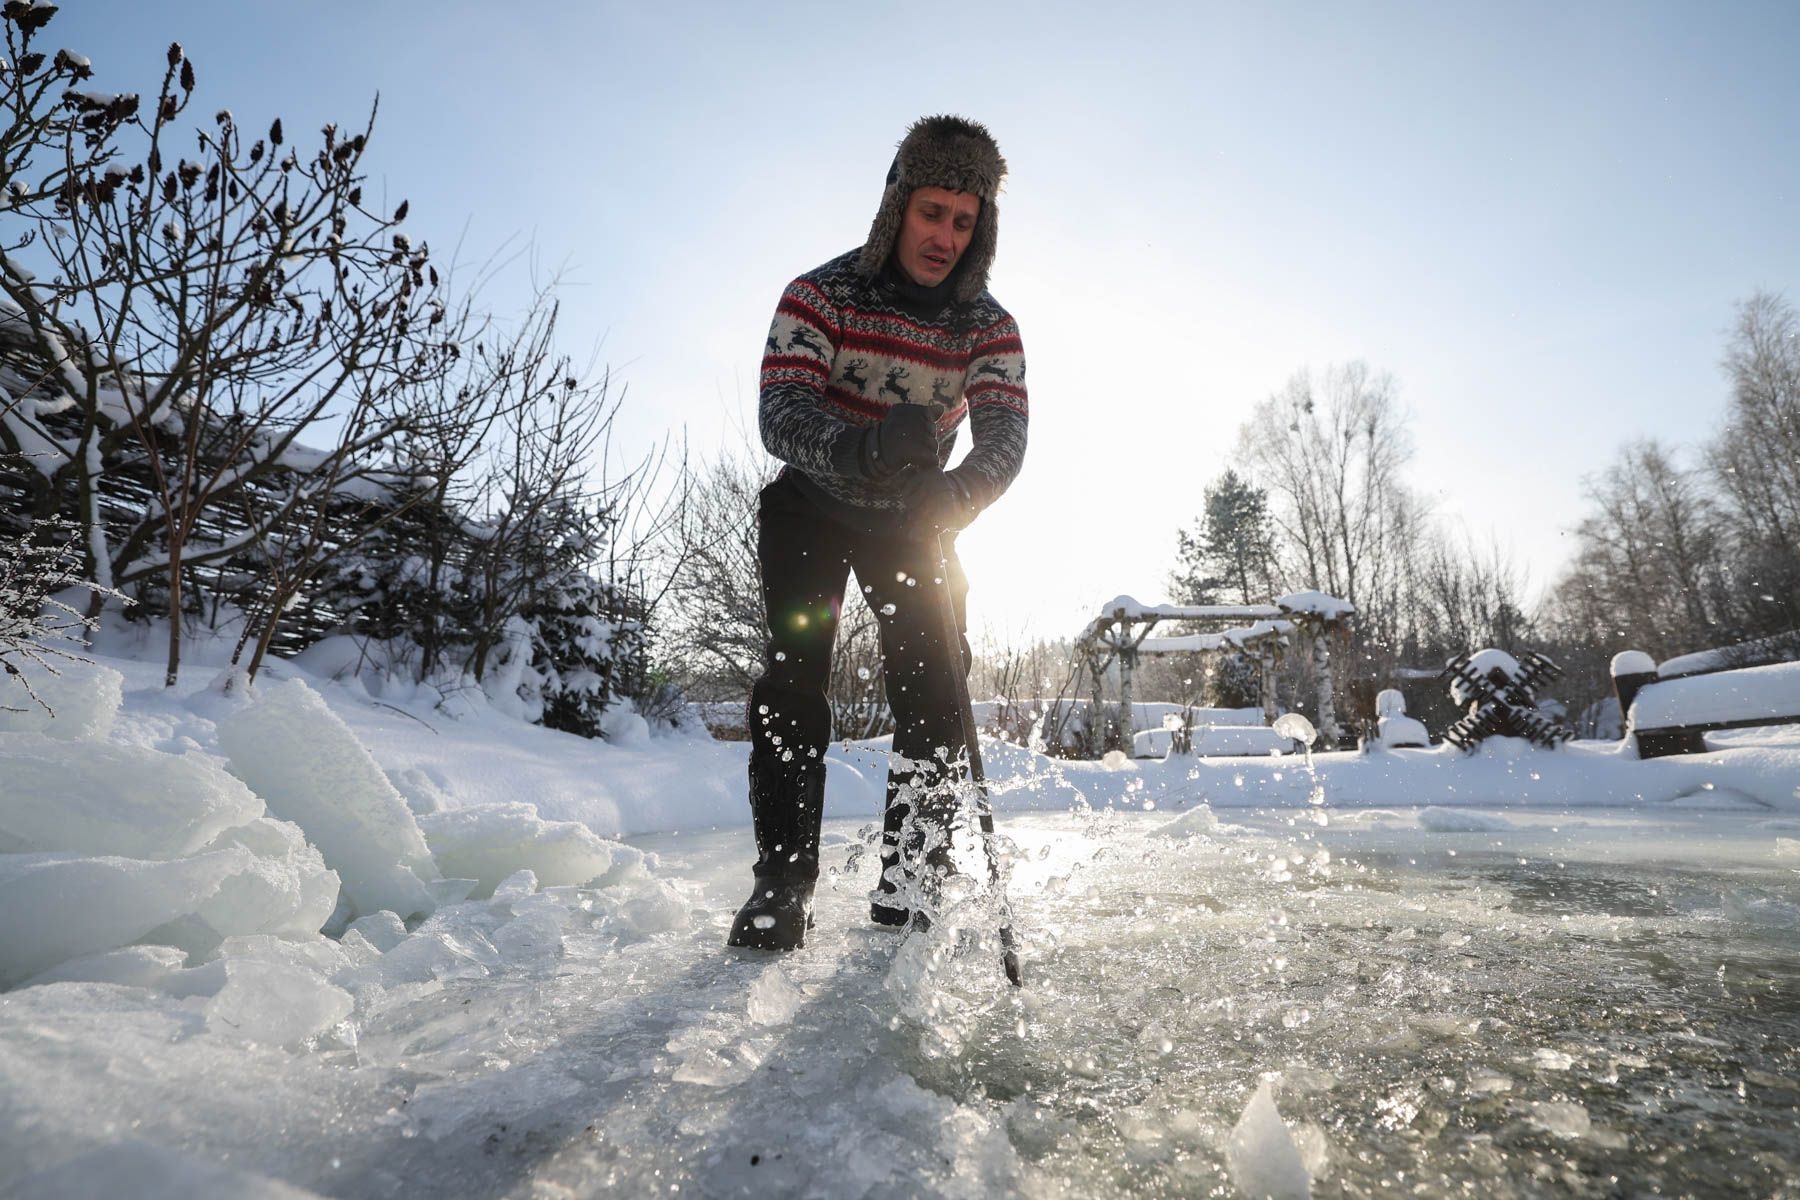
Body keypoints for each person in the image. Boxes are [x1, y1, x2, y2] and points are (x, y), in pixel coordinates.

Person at [727, 115, 1029, 951]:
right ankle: (782, 883)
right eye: (931, 212)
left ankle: (913, 883)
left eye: (963, 221)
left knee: (935, 692)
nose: (943, 237)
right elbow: (778, 413)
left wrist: (960, 492)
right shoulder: (821, 295)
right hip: (812, 508)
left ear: (981, 231)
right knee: (794, 680)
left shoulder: (987, 328)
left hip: (912, 526)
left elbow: (1005, 435)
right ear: (897, 206)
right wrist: (861, 446)